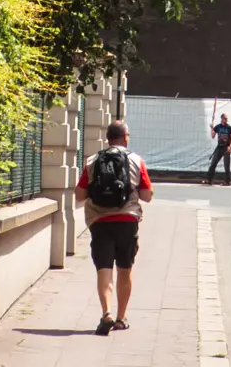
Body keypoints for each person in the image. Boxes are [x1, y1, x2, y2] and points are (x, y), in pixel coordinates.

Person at [75, 118, 154, 337]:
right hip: (127, 221)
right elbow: (147, 196)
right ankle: (121, 318)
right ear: (126, 137)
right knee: (125, 268)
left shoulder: (93, 161)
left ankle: (106, 313)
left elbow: (79, 195)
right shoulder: (137, 161)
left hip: (99, 223)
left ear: (107, 139)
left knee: (104, 269)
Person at [207, 111, 231, 186]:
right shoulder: (218, 127)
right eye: (225, 118)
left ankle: (227, 181)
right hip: (219, 147)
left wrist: (230, 146)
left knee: (227, 165)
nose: (226, 120)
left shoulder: (229, 128)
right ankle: (210, 180)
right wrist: (212, 128)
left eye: (227, 118)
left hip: (226, 148)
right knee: (213, 164)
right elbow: (213, 136)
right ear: (222, 119)